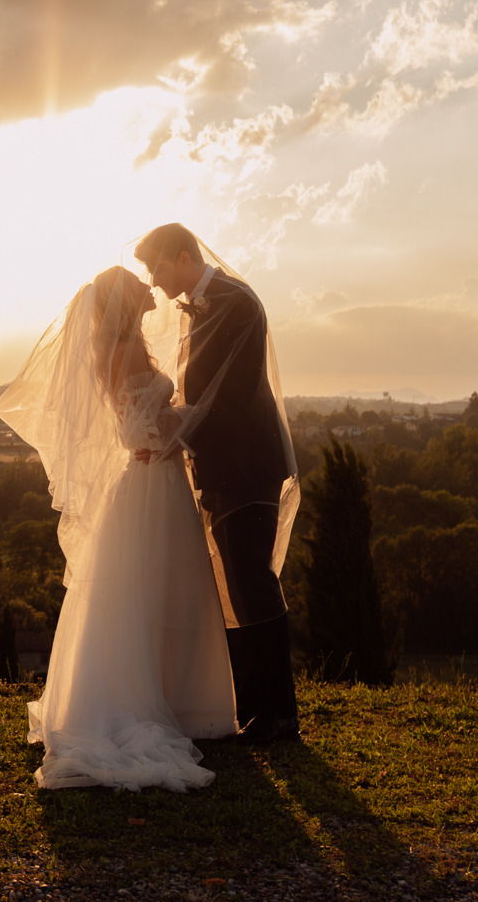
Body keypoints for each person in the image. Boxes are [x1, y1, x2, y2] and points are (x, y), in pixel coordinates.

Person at [0, 266, 237, 791]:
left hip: (149, 478)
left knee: (155, 593)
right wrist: (204, 413)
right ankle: (173, 706)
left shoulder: (121, 349)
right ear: (125, 303)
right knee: (160, 591)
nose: (150, 287)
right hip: (152, 481)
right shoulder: (123, 354)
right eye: (138, 285)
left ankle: (176, 699)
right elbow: (145, 427)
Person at [134, 222, 301, 745]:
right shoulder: (205, 305)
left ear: (183, 257)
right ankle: (255, 709)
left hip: (247, 464)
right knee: (239, 586)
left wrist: (175, 429)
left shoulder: (235, 302)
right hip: (222, 466)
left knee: (253, 582)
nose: (155, 284)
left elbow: (229, 394)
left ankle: (279, 714)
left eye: (158, 268)